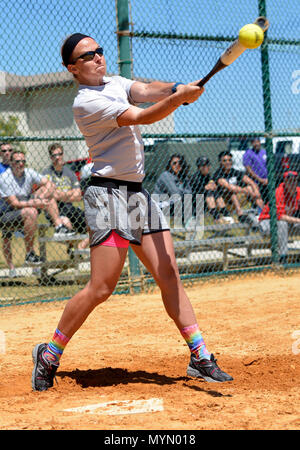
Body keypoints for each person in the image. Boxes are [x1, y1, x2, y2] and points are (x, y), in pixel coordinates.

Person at [31, 33, 233, 391]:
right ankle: (49, 354)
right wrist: (177, 100)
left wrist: (176, 88)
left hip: (137, 193)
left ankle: (199, 356)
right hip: (106, 194)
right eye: (87, 55)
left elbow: (146, 90)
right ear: (72, 68)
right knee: (102, 286)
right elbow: (141, 114)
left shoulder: (114, 82)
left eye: (99, 51)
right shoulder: (86, 102)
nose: (98, 57)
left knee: (168, 273)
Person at [0, 149, 74, 277]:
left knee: (47, 197)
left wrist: (40, 199)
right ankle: (29, 254)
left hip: (28, 208)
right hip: (7, 215)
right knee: (31, 211)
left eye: (23, 161)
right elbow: (15, 204)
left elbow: (50, 185)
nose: (21, 164)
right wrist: (36, 203)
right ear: (11, 163)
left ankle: (58, 227)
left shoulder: (28, 172)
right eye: (17, 161)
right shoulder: (5, 178)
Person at [43, 143, 89, 254]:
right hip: (55, 211)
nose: (57, 157)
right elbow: (52, 195)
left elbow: (78, 195)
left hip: (70, 209)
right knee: (66, 224)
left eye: (60, 154)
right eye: (54, 155)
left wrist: (61, 194)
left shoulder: (70, 173)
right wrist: (70, 193)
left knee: (94, 223)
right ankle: (72, 250)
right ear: (50, 157)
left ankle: (80, 247)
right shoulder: (47, 173)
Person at [259, 171, 300, 264]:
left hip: (287, 222)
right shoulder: (279, 192)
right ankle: (282, 257)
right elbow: (280, 216)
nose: (292, 184)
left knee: (285, 224)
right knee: (282, 224)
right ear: (285, 182)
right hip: (267, 221)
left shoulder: (298, 191)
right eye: (289, 181)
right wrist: (298, 220)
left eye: (294, 181)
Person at [214, 151, 264, 225]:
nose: (228, 162)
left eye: (229, 160)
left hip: (238, 198)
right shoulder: (218, 174)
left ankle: (263, 213)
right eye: (224, 161)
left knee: (251, 188)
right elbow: (230, 188)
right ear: (220, 162)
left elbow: (251, 182)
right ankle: (240, 214)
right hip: (224, 202)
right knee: (232, 192)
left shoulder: (235, 171)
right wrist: (246, 190)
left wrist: (255, 190)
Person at [190, 156, 234, 224]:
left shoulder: (208, 176)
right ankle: (217, 218)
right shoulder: (195, 177)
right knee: (209, 192)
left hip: (209, 199)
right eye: (202, 166)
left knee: (214, 192)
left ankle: (226, 215)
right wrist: (206, 188)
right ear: (199, 167)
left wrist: (212, 185)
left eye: (207, 165)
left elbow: (214, 186)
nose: (205, 168)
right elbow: (196, 192)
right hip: (196, 202)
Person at [153, 154, 193, 225]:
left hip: (172, 203)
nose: (177, 165)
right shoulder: (166, 175)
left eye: (180, 163)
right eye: (174, 163)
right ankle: (187, 222)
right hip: (160, 205)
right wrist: (183, 191)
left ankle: (188, 222)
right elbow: (175, 193)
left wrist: (182, 192)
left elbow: (190, 192)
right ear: (170, 165)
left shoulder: (183, 176)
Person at [243, 137, 269, 207]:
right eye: (254, 142)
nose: (257, 144)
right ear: (252, 143)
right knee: (258, 198)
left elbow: (269, 166)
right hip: (256, 182)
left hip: (266, 180)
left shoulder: (264, 152)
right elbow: (248, 169)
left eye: (258, 142)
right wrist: (260, 180)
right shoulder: (248, 154)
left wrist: (268, 179)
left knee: (268, 200)